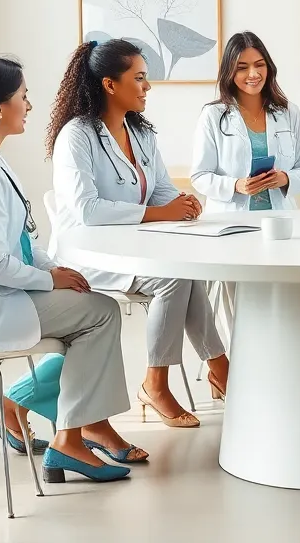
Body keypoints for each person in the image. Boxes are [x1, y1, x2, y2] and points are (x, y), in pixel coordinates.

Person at [0, 55, 139, 483]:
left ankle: (18, 408)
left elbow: (22, 240)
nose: (29, 105)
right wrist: (51, 279)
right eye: (23, 96)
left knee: (89, 311)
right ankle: (69, 441)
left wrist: (56, 268)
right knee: (101, 315)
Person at [46, 39, 228, 430]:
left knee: (185, 273)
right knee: (173, 277)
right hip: (86, 258)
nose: (148, 87)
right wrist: (161, 212)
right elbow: (87, 210)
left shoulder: (140, 132)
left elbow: (160, 189)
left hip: (134, 250)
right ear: (110, 85)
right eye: (140, 78)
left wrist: (183, 201)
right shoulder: (76, 136)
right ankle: (159, 382)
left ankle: (219, 367)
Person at [190, 31, 300, 212]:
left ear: (269, 68)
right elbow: (199, 176)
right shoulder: (213, 115)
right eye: (242, 67)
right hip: (231, 220)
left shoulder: (288, 112)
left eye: (260, 65)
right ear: (230, 71)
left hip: (279, 219)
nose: (253, 74)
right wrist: (236, 185)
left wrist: (285, 179)